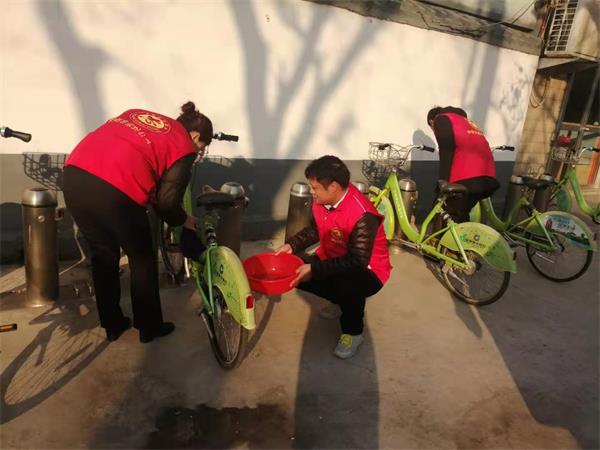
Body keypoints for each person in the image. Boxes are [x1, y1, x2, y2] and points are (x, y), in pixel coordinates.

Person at [63, 102, 211, 343]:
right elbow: (167, 202)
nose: (198, 153)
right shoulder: (183, 145)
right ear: (195, 136)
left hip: (74, 177)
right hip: (116, 191)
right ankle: (149, 326)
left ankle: (112, 324)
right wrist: (184, 220)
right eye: (202, 147)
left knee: (103, 255)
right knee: (141, 258)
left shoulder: (137, 115)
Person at [277, 156, 391, 359]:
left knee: (348, 285)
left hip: (368, 270)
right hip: (334, 256)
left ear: (334, 187)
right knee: (293, 269)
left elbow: (357, 261)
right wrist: (292, 245)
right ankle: (338, 300)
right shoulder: (323, 201)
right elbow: (316, 229)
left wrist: (315, 269)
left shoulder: (363, 215)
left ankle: (353, 333)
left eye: (315, 188)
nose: (312, 192)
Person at [427, 106, 499, 223]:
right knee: (460, 214)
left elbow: (446, 152)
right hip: (488, 178)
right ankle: (465, 233)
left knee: (441, 211)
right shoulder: (465, 122)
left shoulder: (441, 119)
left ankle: (445, 235)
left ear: (431, 122)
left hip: (467, 179)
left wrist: (442, 183)